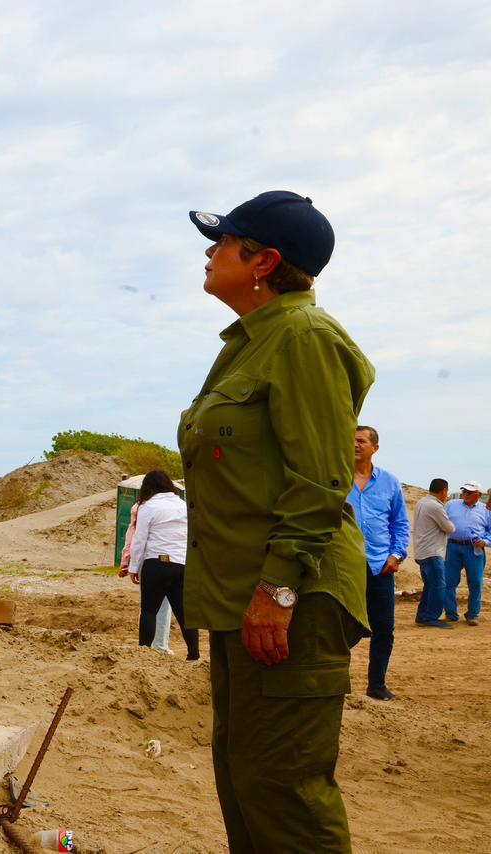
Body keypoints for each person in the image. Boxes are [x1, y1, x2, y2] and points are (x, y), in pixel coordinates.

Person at [179, 191, 373, 852]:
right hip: (246, 599)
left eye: (224, 241)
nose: (209, 251)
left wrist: (279, 589)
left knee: (284, 789)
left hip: (293, 598)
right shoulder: (251, 344)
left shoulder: (304, 338)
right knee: (247, 779)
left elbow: (320, 478)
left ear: (264, 261)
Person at [347, 426, 410, 701]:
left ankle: (377, 685)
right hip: (344, 567)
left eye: (360, 440)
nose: (355, 445)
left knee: (383, 629)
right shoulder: (335, 478)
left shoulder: (390, 483)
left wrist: (396, 555)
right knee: (338, 628)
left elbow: (400, 523)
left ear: (375, 447)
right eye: (351, 440)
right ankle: (337, 685)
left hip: (379, 568)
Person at [127, 470, 199, 660]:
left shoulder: (148, 506)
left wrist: (134, 567)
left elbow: (140, 539)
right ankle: (194, 655)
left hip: (156, 563)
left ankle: (144, 653)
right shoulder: (182, 505)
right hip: (181, 563)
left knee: (149, 610)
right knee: (184, 613)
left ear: (148, 487)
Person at [120, 500, 173, 653]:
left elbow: (133, 535)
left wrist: (126, 561)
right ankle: (160, 646)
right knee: (164, 605)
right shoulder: (175, 506)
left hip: (147, 560)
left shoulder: (139, 506)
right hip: (169, 559)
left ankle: (145, 647)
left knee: (147, 606)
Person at [443, 481, 488, 626]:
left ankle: (473, 614)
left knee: (475, 582)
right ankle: (451, 614)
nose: (465, 494)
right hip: (452, 548)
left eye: (469, 492)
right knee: (449, 582)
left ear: (479, 495)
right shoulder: (451, 505)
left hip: (474, 550)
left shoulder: (486, 510)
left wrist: (485, 541)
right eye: (464, 491)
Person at [412, 478, 455, 627]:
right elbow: (450, 528)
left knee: (430, 585)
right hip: (433, 551)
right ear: (443, 491)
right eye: (447, 491)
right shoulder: (435, 506)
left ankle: (423, 616)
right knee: (438, 586)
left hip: (422, 550)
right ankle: (431, 617)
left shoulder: (422, 502)